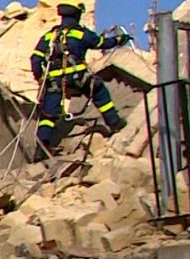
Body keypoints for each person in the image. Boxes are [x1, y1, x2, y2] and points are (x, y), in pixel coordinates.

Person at [31, 1, 133, 152]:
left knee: (48, 114)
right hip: (78, 77)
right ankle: (114, 122)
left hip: (54, 82)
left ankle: (41, 149)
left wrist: (40, 78)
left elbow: (35, 59)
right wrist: (119, 40)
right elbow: (101, 43)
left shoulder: (49, 36)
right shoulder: (81, 33)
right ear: (77, 14)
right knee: (99, 92)